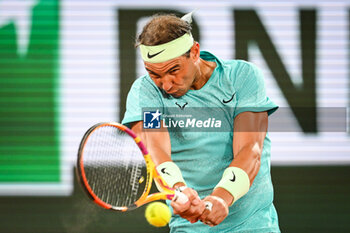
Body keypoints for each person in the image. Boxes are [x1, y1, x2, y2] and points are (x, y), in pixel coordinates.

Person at [122, 12, 280, 233]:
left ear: (194, 52)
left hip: (253, 225)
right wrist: (178, 190)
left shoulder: (242, 77)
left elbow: (250, 148)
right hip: (189, 227)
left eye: (173, 70)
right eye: (154, 74)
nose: (165, 85)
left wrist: (222, 198)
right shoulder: (146, 92)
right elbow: (156, 150)